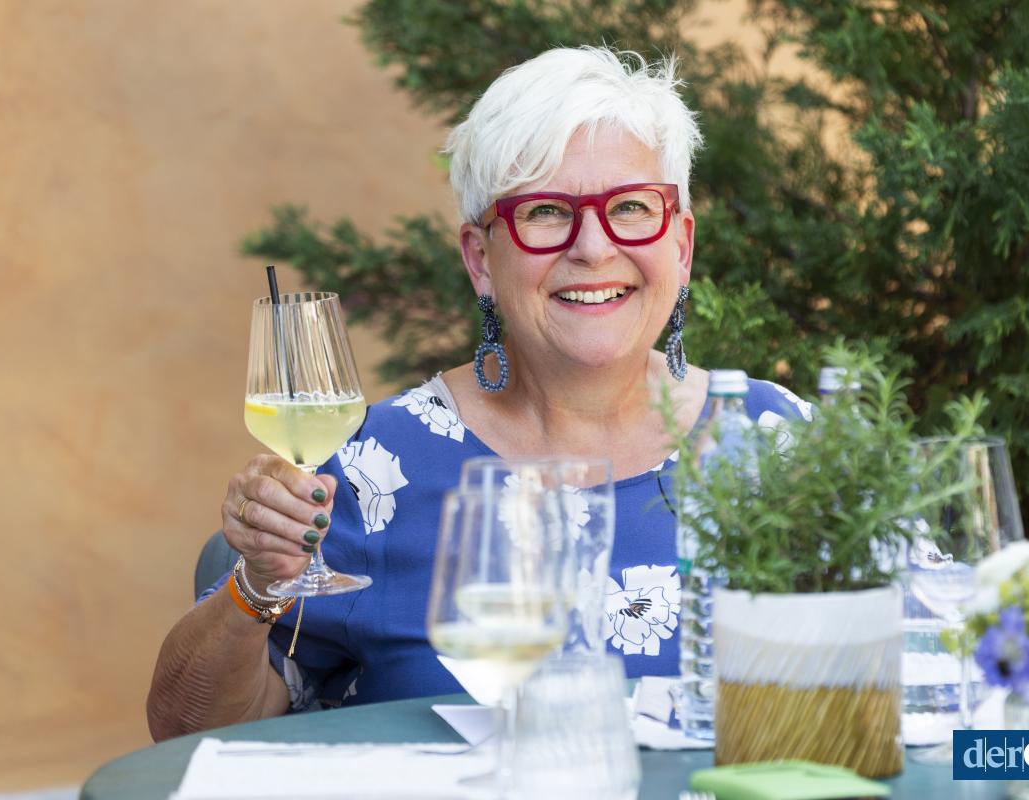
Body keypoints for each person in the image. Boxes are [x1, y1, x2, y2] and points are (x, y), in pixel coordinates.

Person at [147, 46, 812, 740]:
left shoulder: (789, 447)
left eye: (632, 207)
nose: (593, 247)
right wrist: (256, 585)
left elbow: (893, 703)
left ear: (681, 246)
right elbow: (184, 728)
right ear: (480, 259)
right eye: (546, 211)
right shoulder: (372, 470)